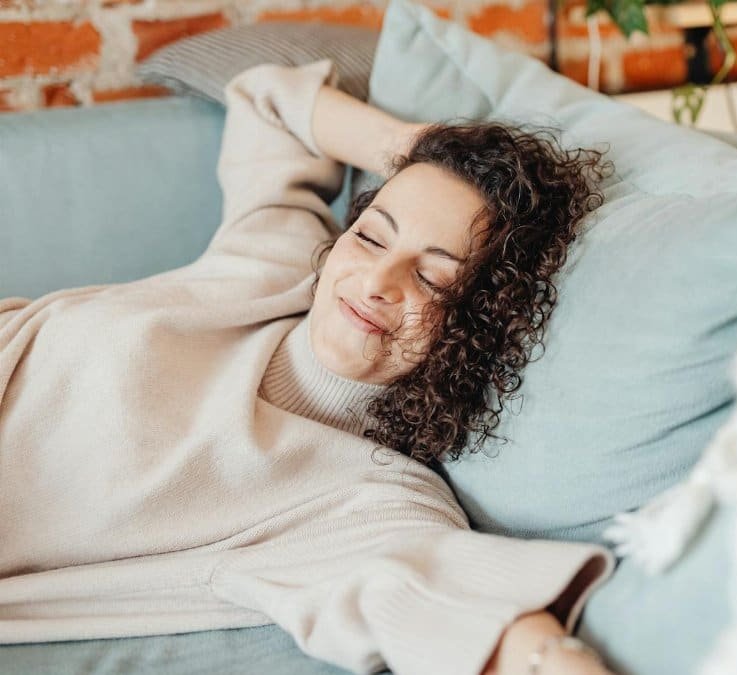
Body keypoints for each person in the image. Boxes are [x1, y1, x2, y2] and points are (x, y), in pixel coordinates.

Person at [0, 58, 617, 675]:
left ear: (481, 324)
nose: (376, 280)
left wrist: (551, 655)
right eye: (373, 236)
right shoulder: (280, 263)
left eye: (431, 277)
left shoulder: (362, 495)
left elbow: (441, 587)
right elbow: (266, 101)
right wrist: (431, 157)